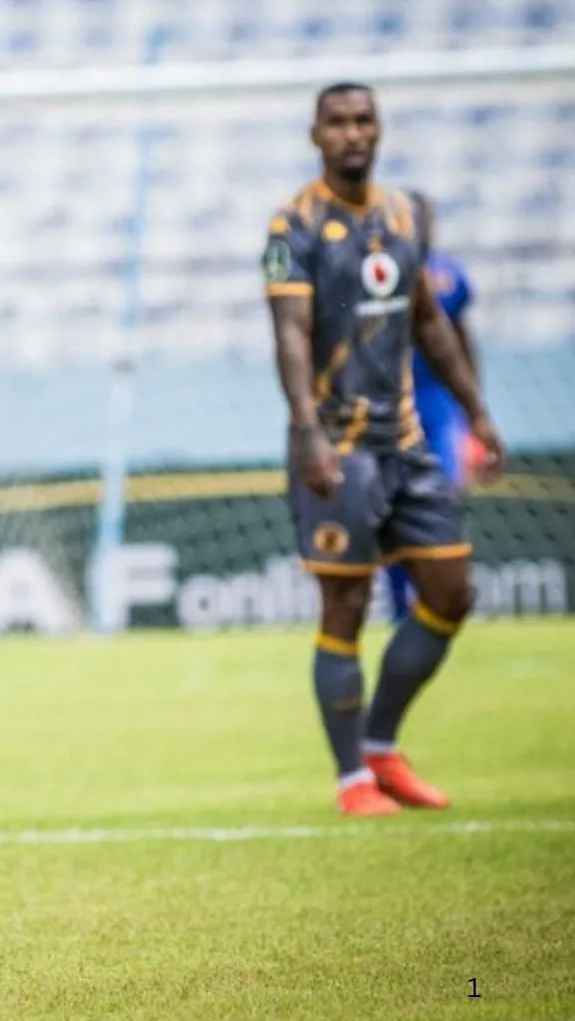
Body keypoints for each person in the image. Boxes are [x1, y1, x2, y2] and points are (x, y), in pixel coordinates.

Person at [262, 86, 505, 816]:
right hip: (337, 448)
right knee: (348, 600)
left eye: (364, 120)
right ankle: (350, 782)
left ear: (379, 129)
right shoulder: (293, 224)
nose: (353, 133)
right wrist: (307, 429)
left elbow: (431, 323)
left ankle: (381, 747)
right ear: (315, 134)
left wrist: (476, 412)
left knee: (451, 592)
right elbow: (291, 333)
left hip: (406, 444)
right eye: (338, 122)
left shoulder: (406, 216)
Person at [384, 190, 483, 622]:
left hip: (438, 407)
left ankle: (432, 606)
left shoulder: (448, 277)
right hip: (387, 410)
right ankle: (399, 611)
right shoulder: (378, 273)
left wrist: (474, 413)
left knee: (437, 508)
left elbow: (460, 341)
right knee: (387, 516)